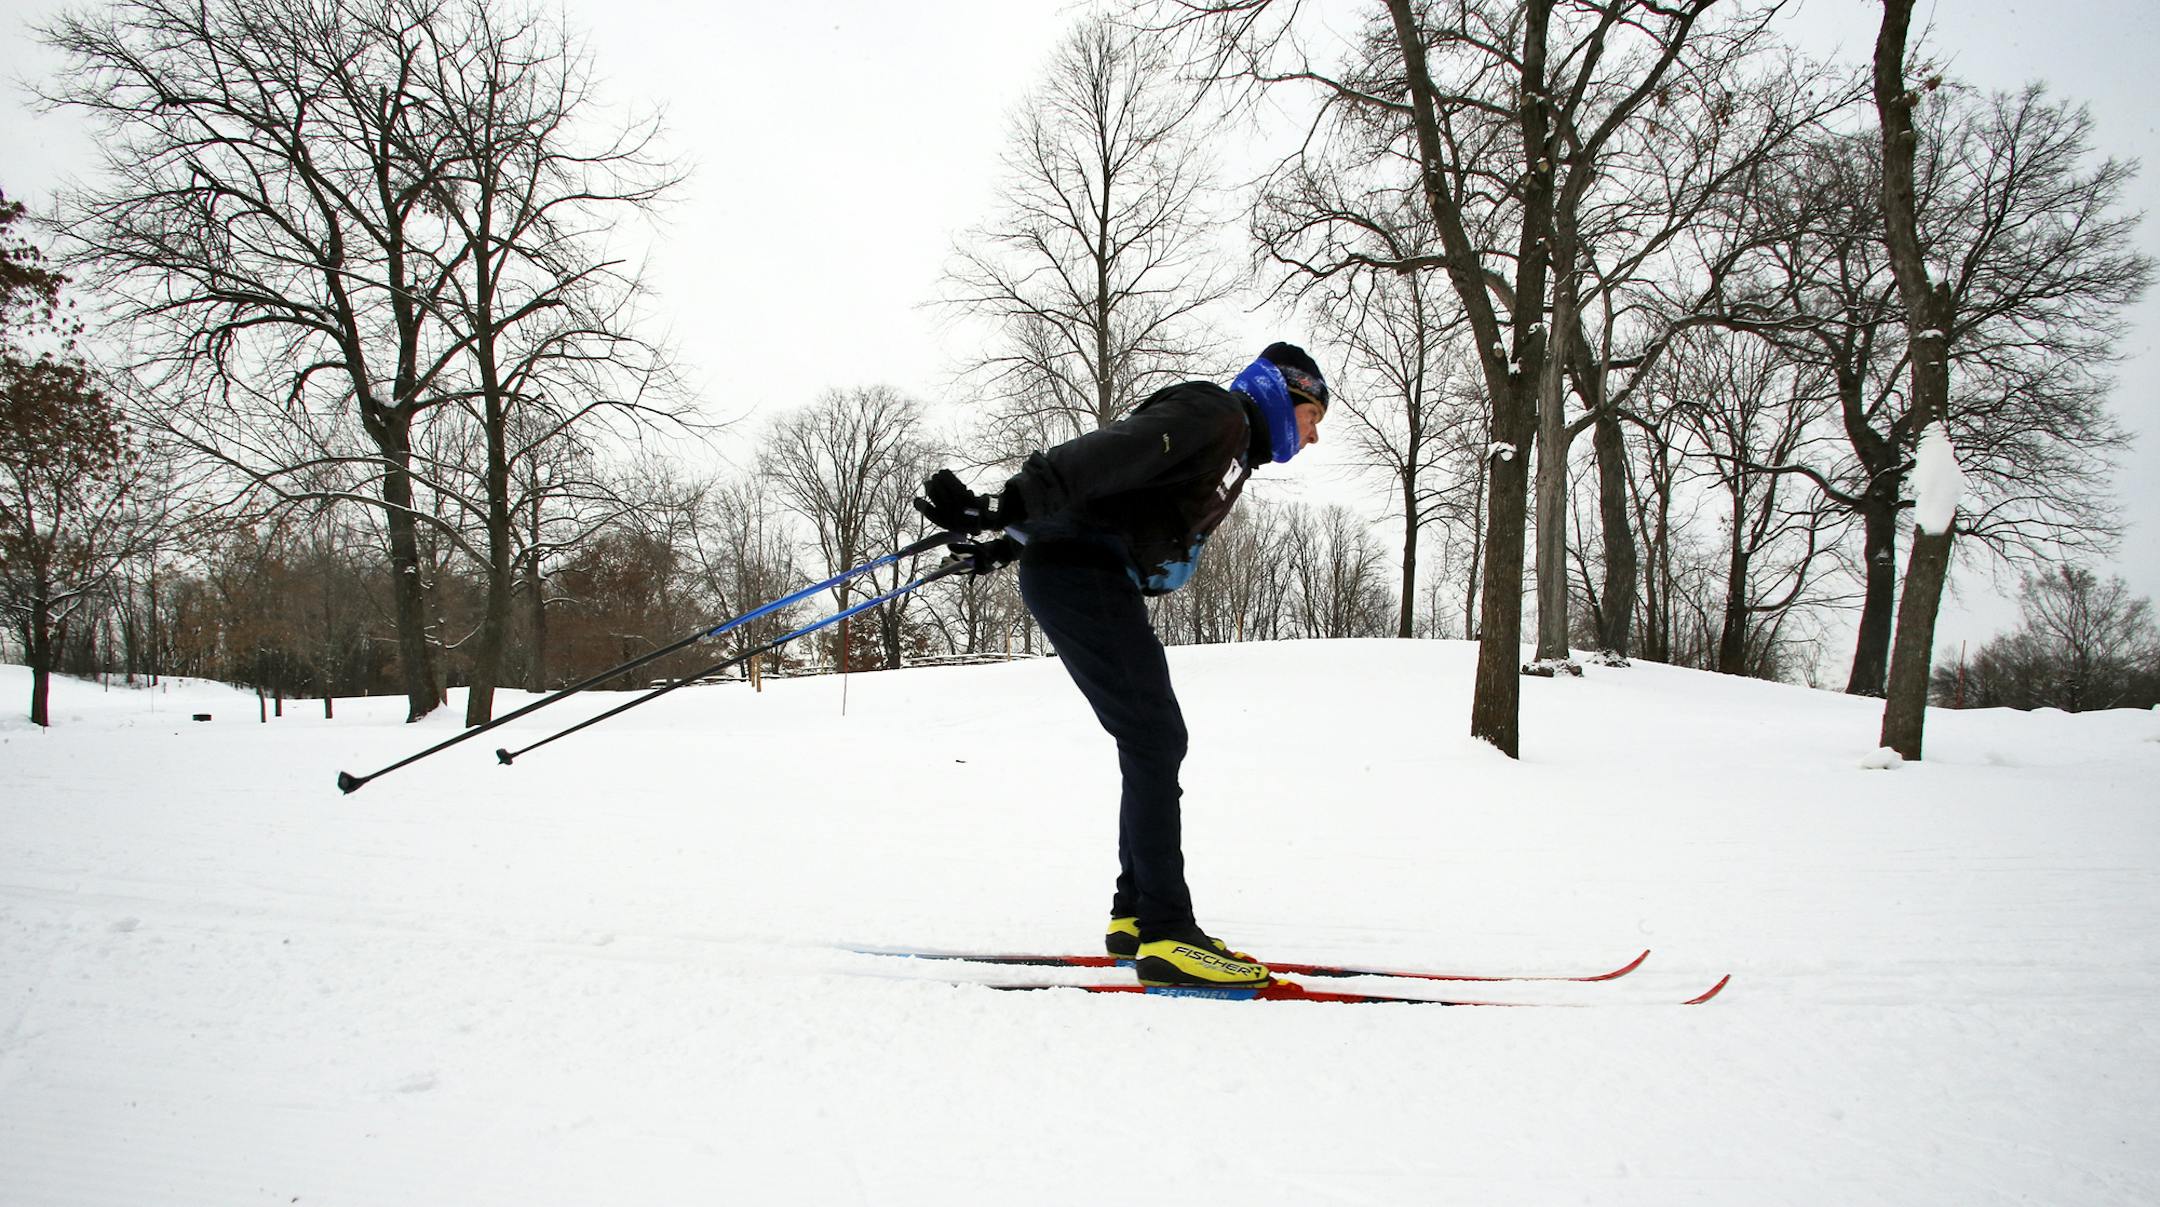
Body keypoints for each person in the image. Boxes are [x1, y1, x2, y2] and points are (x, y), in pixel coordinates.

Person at [913, 342, 1329, 988]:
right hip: (1084, 573)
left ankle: (1136, 915)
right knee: (1155, 735)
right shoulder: (1215, 413)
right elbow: (1110, 454)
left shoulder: (1229, 445)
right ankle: (1166, 930)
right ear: (1287, 393)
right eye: (1313, 417)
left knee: (1155, 735)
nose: (1314, 436)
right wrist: (1005, 506)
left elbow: (1114, 499)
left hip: (1084, 569)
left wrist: (1004, 546)